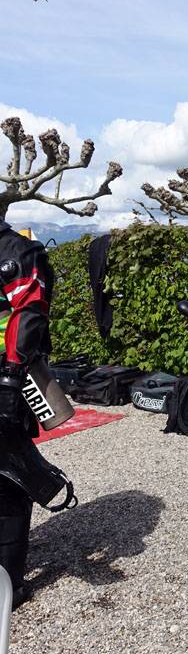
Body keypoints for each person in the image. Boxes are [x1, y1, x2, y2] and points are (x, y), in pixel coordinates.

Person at [0, 220, 54, 609]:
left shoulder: (16, 251)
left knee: (9, 477)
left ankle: (8, 581)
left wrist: (11, 378)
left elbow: (30, 310)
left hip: (7, 378)